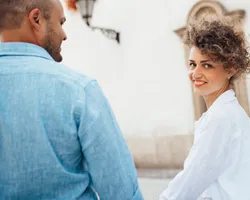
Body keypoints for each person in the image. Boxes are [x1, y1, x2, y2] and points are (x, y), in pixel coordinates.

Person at [0, 0, 143, 199]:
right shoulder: (79, 90)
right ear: (36, 19)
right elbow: (121, 192)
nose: (64, 35)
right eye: (60, 23)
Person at [159, 16, 250, 200]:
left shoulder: (221, 118)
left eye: (207, 65)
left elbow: (190, 181)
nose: (195, 73)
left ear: (231, 68)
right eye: (193, 64)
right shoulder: (229, 113)